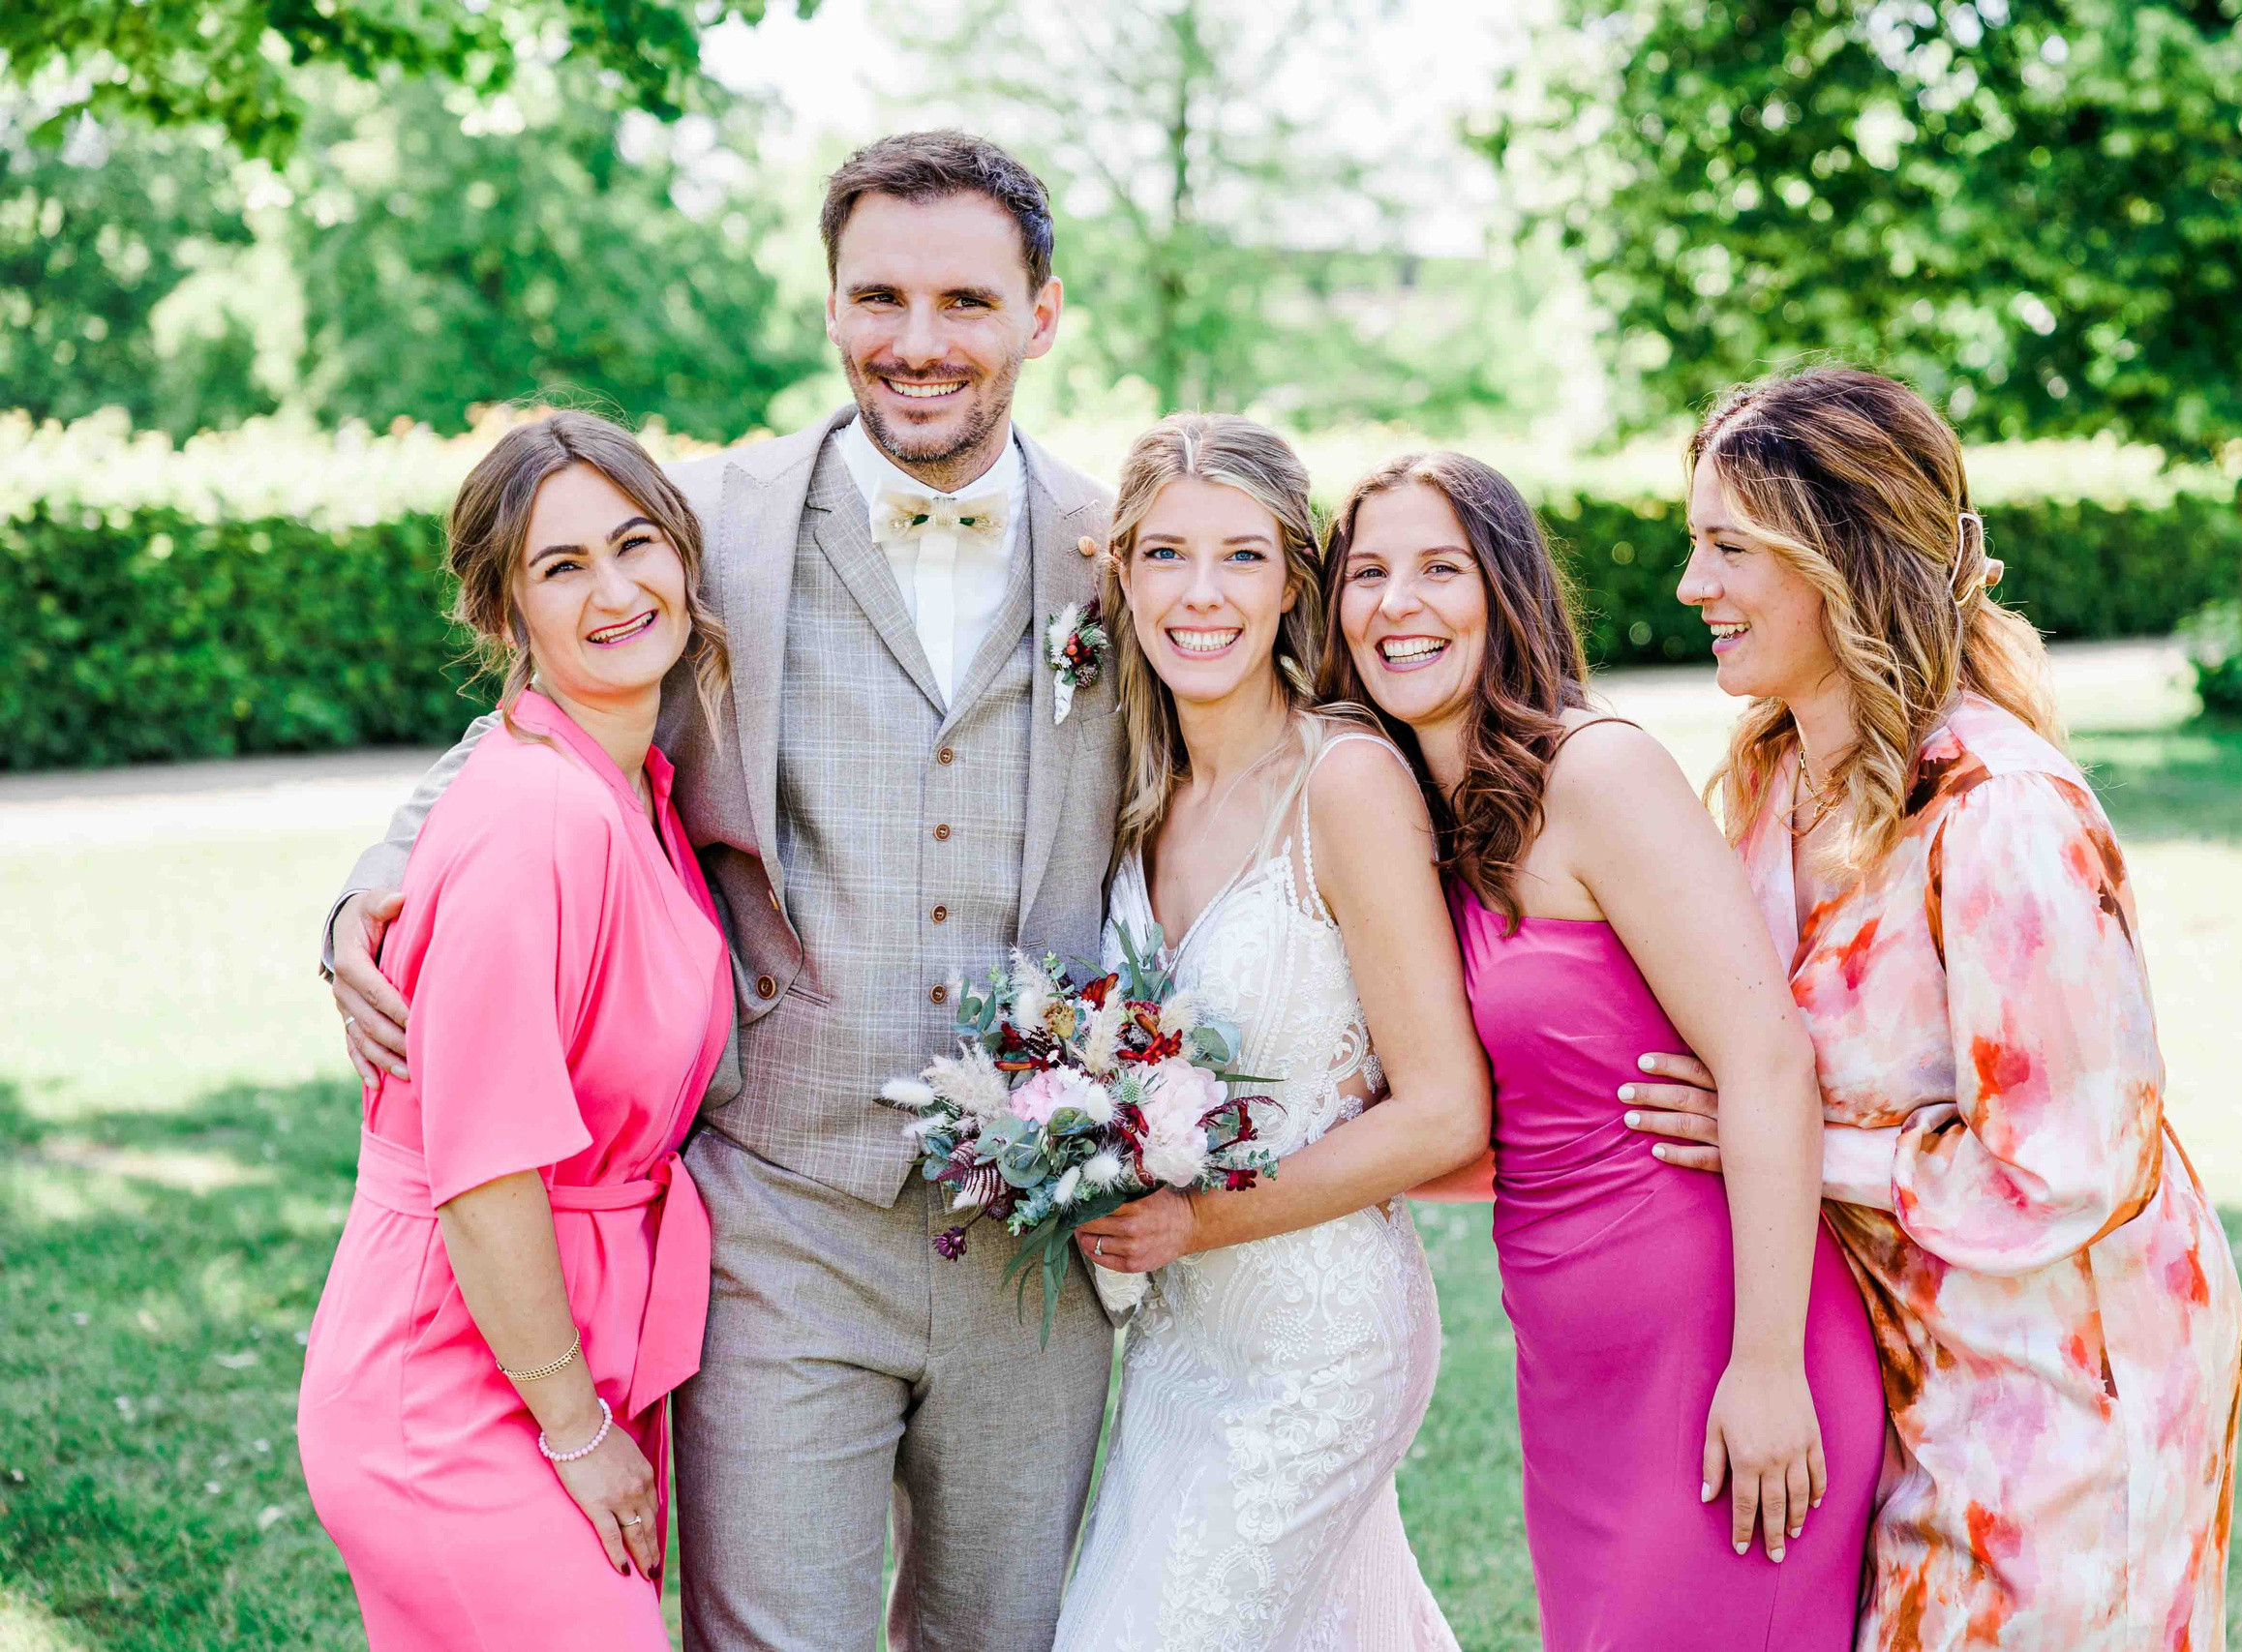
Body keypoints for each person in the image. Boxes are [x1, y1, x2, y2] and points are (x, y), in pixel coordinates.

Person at [318, 133, 1126, 1651]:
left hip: (1036, 1245)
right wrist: (366, 891)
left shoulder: (1125, 548)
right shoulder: (706, 528)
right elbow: (519, 720)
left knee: (1004, 1635)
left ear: (1042, 311)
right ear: (830, 306)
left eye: (966, 299)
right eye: (878, 296)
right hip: (778, 1219)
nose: (918, 341)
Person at [1633, 365, 2242, 1650]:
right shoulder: (1759, 780)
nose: (1691, 586)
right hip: (1898, 1358)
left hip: (2065, 1377)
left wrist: (1785, 1138)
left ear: (1844, 563)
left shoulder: (2001, 812)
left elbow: (2072, 1161)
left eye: (1728, 548)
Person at [1317, 451, 1885, 1650]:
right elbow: (1485, 1120)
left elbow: (1767, 1063)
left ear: (1506, 590)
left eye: (1438, 569)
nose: (1395, 604)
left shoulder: (1598, 770)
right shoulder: (1424, 822)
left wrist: (1767, 1366)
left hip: (1723, 1344)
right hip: (1574, 1370)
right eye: (1365, 573)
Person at [1053, 414, 1491, 1650]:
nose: (1203, 595)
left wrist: (1197, 1220)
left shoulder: (1343, 780)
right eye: (1168, 557)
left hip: (1322, 1344)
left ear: (1294, 582)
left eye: (1243, 558)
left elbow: (1445, 1108)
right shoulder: (1139, 796)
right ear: (1123, 574)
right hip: (1182, 1346)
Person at [296, 410, 734, 1648]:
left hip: (552, 1349)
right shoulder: (535, 821)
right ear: (503, 616)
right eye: (560, 567)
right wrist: (579, 1432)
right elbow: (482, 1175)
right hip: (450, 1389)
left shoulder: (626, 786)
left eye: (635, 543)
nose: (615, 590)